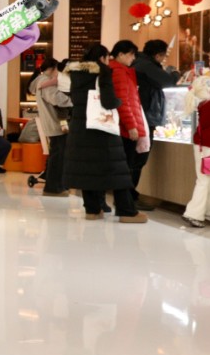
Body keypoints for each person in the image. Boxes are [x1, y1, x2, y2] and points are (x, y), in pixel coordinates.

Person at [61, 44, 147, 222]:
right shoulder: (103, 72)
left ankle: (92, 210)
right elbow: (108, 102)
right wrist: (118, 101)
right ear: (102, 58)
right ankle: (127, 212)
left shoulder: (75, 74)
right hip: (101, 129)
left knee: (88, 170)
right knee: (117, 170)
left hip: (80, 128)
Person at [132, 39, 181, 207]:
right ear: (158, 55)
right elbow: (169, 81)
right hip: (143, 117)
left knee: (135, 159)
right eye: (163, 56)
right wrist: (174, 73)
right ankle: (129, 198)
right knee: (138, 159)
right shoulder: (147, 66)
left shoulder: (139, 63)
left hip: (139, 116)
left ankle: (128, 196)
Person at [108, 40, 151, 197]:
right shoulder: (119, 72)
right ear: (120, 54)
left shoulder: (121, 70)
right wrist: (131, 126)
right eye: (131, 54)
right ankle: (125, 201)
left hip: (124, 125)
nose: (133, 58)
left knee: (125, 165)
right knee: (126, 166)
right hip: (125, 127)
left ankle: (125, 200)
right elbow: (123, 102)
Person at [30, 58, 71, 196]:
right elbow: (57, 99)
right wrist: (76, 101)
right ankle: (53, 188)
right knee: (58, 156)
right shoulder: (45, 81)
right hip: (56, 124)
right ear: (53, 68)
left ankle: (55, 186)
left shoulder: (41, 81)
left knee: (56, 155)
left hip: (53, 123)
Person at [182, 72, 210, 227]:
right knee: (205, 180)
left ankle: (207, 211)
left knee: (209, 180)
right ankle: (193, 213)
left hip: (205, 145)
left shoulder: (205, 104)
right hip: (208, 146)